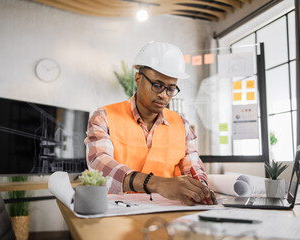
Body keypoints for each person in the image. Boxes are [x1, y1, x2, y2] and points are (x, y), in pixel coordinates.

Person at [84, 41, 217, 206]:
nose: (164, 95)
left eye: (171, 89)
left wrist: (200, 188)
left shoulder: (182, 125)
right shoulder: (104, 117)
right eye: (157, 85)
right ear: (138, 78)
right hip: (116, 211)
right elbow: (99, 167)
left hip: (169, 212)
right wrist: (157, 183)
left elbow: (193, 166)